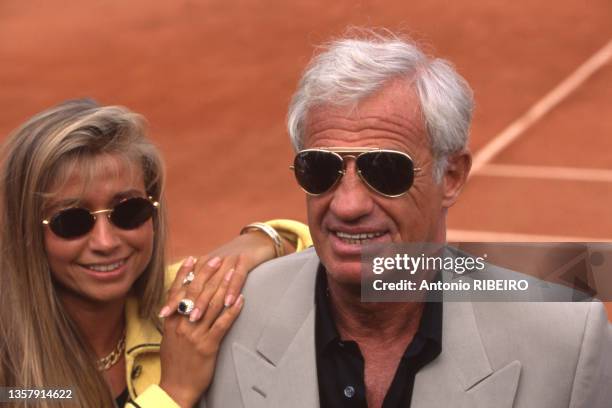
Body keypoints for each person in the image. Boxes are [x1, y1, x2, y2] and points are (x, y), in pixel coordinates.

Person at [202, 30, 612, 407]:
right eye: (320, 169)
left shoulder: (566, 339)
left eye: (384, 170)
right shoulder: (215, 323)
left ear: (451, 177)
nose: (347, 205)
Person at [0, 99, 311, 407]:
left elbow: (354, 274)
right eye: (72, 221)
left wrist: (267, 239)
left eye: (129, 210)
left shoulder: (188, 300)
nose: (106, 242)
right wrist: (173, 393)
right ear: (24, 231)